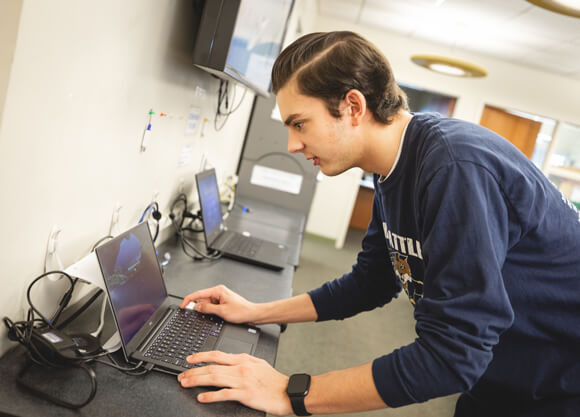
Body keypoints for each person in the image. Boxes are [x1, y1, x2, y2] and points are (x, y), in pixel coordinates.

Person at [176, 31, 580, 417]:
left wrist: (289, 391)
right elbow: (371, 282)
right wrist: (255, 312)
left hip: (561, 385)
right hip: (501, 372)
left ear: (353, 106)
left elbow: (453, 355)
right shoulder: (393, 170)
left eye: (299, 124)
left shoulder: (453, 166)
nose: (292, 145)